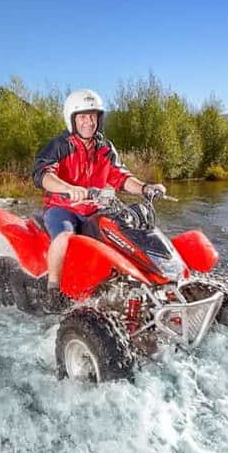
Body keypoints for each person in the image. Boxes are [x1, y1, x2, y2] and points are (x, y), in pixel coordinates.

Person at [33, 89, 166, 312]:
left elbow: (122, 177)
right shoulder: (59, 145)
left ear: (99, 118)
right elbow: (43, 174)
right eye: (83, 117)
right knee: (65, 236)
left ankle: (127, 285)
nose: (88, 122)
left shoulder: (105, 148)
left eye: (93, 116)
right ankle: (53, 288)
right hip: (62, 207)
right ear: (72, 119)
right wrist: (67, 188)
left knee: (124, 230)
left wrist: (145, 187)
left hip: (94, 208)